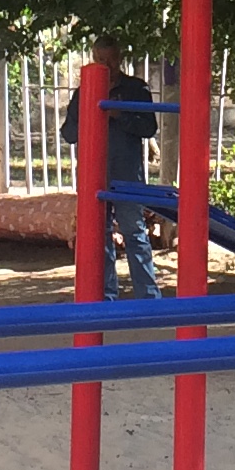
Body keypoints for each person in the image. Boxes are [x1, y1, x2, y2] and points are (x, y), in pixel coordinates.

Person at [59, 40, 162, 299]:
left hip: (127, 174)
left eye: (111, 59)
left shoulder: (136, 89)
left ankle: (148, 297)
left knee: (134, 233)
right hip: (94, 177)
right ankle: (105, 296)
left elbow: (149, 128)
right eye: (100, 59)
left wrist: (120, 115)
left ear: (120, 58)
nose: (106, 65)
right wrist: (90, 114)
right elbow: (68, 133)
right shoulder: (84, 92)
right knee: (98, 236)